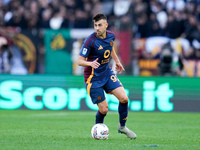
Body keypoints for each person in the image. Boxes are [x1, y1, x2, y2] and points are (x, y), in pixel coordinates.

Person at [77, 14, 137, 139]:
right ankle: (98, 131)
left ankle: (122, 127)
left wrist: (117, 61)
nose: (97, 28)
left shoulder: (111, 35)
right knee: (104, 109)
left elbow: (110, 48)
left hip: (107, 73)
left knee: (124, 98)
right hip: (93, 79)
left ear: (106, 25)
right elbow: (79, 61)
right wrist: (90, 63)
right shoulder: (90, 40)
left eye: (99, 25)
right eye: (95, 25)